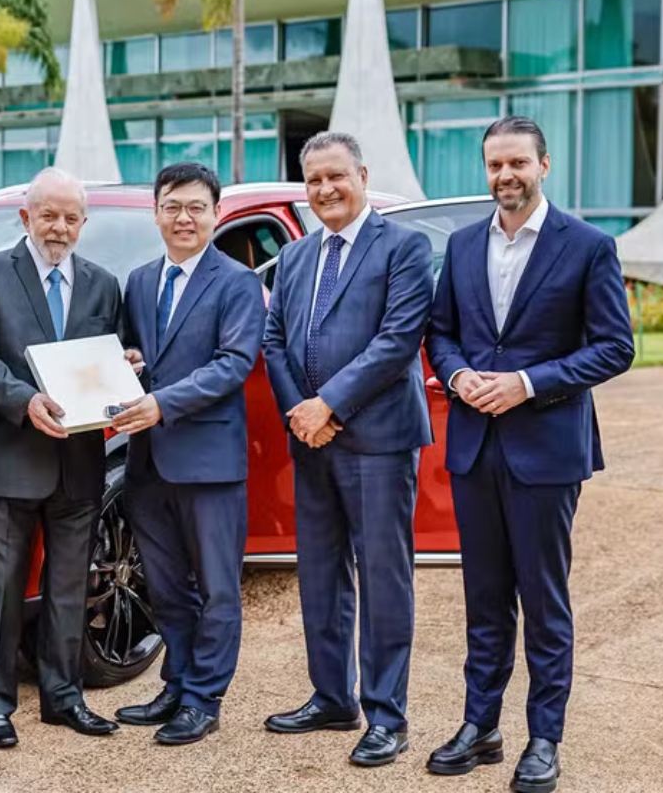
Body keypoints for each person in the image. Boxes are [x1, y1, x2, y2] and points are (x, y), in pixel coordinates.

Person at [424, 116, 634, 793]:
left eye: (517, 163)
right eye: (494, 166)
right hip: (474, 447)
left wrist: (527, 383)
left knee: (544, 602)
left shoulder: (588, 246)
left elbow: (614, 346)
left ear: (545, 164)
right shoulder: (460, 246)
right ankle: (481, 726)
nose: (504, 176)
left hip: (547, 450)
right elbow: (441, 332)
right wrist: (457, 377)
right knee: (484, 598)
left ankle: (544, 738)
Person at [261, 131, 434, 767]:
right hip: (312, 440)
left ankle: (388, 715)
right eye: (314, 181)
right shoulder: (298, 256)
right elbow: (273, 338)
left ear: (361, 174)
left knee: (384, 578)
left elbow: (397, 341)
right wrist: (301, 414)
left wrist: (327, 405)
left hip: (379, 440)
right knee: (321, 574)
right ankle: (333, 696)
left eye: (337, 176)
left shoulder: (404, 247)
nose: (327, 190)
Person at [0, 167, 138, 748]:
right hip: (11, 456)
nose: (58, 227)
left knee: (68, 587)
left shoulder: (103, 284)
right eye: (48, 215)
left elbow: (111, 358)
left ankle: (64, 699)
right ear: (25, 218)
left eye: (70, 218)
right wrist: (23, 399)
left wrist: (127, 369)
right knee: (2, 590)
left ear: (84, 224)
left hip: (80, 463)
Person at [111, 162, 265, 746]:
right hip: (148, 460)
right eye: (172, 206)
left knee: (218, 587)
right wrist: (127, 361)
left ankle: (205, 698)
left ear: (216, 214)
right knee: (167, 583)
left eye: (196, 207)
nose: (184, 217)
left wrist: (162, 403)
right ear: (156, 212)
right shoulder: (140, 280)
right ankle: (176, 682)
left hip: (209, 460)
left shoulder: (237, 282)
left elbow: (233, 364)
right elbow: (134, 352)